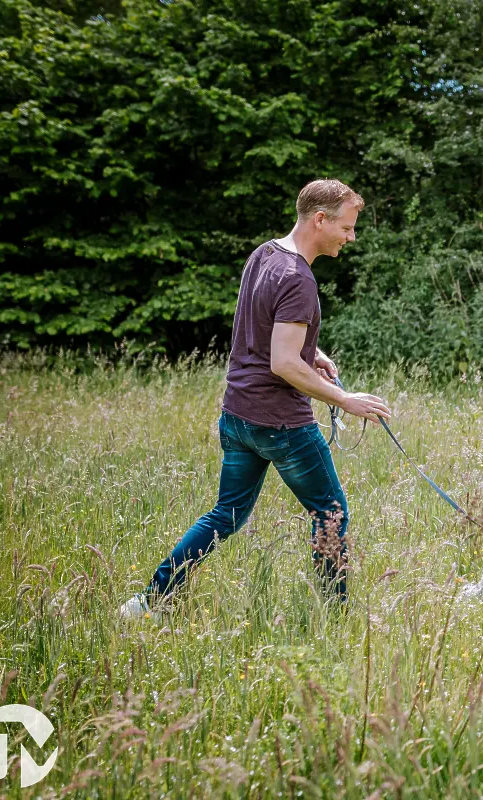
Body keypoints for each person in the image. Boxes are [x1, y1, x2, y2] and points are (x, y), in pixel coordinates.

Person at [119, 179, 391, 618]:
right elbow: (283, 365)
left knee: (226, 514)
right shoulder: (299, 279)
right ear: (320, 219)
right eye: (347, 227)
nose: (351, 237)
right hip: (280, 423)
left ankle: (148, 602)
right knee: (331, 513)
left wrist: (313, 353)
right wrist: (344, 399)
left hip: (238, 416)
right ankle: (334, 618)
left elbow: (265, 328)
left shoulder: (266, 254)